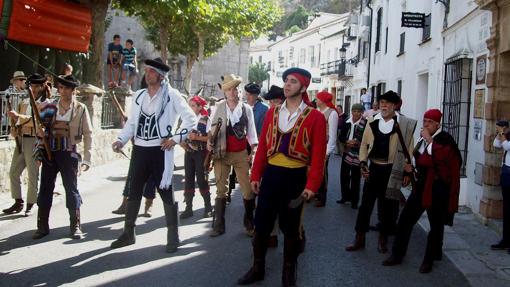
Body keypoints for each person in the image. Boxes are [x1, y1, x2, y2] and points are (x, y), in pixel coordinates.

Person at [237, 67, 327, 286]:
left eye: (293, 81)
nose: (287, 85)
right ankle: (257, 268)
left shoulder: (315, 117)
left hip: (296, 177)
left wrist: (312, 185)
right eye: (286, 80)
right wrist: (256, 174)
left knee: (291, 229)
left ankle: (289, 273)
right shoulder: (272, 112)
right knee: (262, 225)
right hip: (271, 175)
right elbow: (264, 146)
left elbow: (318, 156)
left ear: (304, 87)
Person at [110, 58, 196, 253]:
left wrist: (175, 138)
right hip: (140, 149)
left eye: (150, 71)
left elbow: (191, 118)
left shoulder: (172, 95)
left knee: (166, 191)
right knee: (134, 190)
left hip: (161, 150)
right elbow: (132, 123)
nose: (146, 74)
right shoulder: (139, 96)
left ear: (160, 75)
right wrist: (121, 139)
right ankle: (128, 233)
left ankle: (173, 236)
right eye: (146, 71)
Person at [382, 109, 462, 273]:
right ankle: (397, 254)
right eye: (425, 121)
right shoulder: (422, 140)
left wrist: (430, 141)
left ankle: (429, 259)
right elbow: (419, 160)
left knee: (436, 226)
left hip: (438, 190)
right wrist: (409, 168)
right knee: (405, 220)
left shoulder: (445, 140)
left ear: (437, 124)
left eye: (430, 122)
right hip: (421, 187)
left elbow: (444, 162)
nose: (425, 124)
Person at [346, 90, 417, 254]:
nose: (383, 105)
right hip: (374, 168)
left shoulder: (403, 124)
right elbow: (363, 144)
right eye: (382, 102)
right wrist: (363, 163)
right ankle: (359, 238)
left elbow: (409, 150)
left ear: (394, 106)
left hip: (392, 169)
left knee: (386, 207)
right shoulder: (372, 121)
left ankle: (383, 238)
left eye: (387, 103)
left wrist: (407, 173)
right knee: (365, 205)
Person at [32, 75, 92, 240]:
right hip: (50, 152)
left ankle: (76, 226)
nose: (62, 91)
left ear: (73, 90)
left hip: (69, 153)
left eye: (66, 88)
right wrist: (38, 152)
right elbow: (39, 132)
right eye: (60, 88)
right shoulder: (49, 107)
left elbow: (88, 133)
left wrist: (86, 159)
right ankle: (42, 226)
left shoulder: (80, 108)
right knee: (45, 188)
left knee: (71, 189)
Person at [208, 74, 258, 237]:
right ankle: (218, 225)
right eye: (228, 89)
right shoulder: (218, 107)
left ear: (237, 90)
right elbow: (211, 129)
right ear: (225, 92)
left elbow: (251, 133)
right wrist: (209, 142)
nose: (232, 91)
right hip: (221, 154)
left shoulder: (246, 109)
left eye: (234, 88)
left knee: (247, 190)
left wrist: (254, 150)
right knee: (221, 190)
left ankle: (249, 222)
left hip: (241, 154)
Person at [2, 73, 49, 216]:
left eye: (36, 86)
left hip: (35, 140)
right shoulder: (24, 102)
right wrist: (14, 128)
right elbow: (18, 120)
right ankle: (18, 201)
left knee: (32, 174)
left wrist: (19, 117)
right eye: (32, 86)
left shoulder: (47, 103)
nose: (34, 89)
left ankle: (31, 203)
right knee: (14, 172)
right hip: (22, 139)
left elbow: (37, 121)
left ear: (42, 86)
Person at [180, 95, 213, 219]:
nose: (190, 108)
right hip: (189, 153)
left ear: (200, 107)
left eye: (193, 105)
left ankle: (208, 207)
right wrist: (181, 142)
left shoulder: (205, 119)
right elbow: (181, 134)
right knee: (188, 178)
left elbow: (210, 137)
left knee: (201, 179)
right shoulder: (186, 119)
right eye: (190, 105)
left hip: (201, 153)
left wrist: (197, 138)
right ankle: (188, 208)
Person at [337, 103, 366, 209]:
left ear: (362, 113)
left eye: (359, 111)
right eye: (354, 111)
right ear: (352, 112)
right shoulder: (347, 122)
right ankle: (344, 197)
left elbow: (367, 139)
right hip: (347, 151)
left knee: (355, 178)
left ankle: (354, 201)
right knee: (344, 176)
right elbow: (340, 137)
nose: (356, 113)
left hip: (358, 154)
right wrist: (346, 141)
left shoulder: (365, 124)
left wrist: (357, 143)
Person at [315, 91, 339, 207]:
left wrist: (328, 152)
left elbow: (333, 135)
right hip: (315, 147)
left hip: (324, 147)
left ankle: (322, 197)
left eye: (318, 98)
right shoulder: (318, 111)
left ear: (323, 100)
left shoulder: (332, 113)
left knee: (323, 173)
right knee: (315, 171)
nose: (316, 100)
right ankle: (315, 193)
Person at [491, 120, 510, 252]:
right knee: (507, 209)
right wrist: (499, 133)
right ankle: (505, 240)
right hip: (506, 171)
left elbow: (507, 147)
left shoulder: (507, 136)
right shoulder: (506, 135)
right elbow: (496, 144)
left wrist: (502, 132)